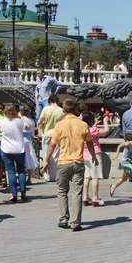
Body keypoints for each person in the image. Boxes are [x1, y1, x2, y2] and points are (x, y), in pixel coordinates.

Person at [42, 99, 98, 232]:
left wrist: (47, 160)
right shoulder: (83, 124)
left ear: (63, 110)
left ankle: (63, 218)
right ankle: (75, 223)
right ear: (75, 109)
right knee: (77, 192)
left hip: (63, 162)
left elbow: (52, 144)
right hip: (78, 162)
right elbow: (89, 143)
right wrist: (94, 156)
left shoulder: (59, 125)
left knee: (62, 191)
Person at [0, 106, 28, 202]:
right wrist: (21, 116)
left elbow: (0, 130)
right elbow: (27, 126)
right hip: (19, 149)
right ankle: (23, 193)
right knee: (21, 171)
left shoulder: (2, 121)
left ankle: (14, 194)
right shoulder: (19, 121)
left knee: (11, 171)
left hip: (6, 149)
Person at [82, 112, 110, 207]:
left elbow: (90, 129)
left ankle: (85, 197)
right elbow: (106, 131)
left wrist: (95, 123)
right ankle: (95, 198)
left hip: (84, 155)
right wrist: (106, 121)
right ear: (91, 120)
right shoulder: (94, 130)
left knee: (87, 176)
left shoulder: (83, 129)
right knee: (95, 176)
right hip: (95, 154)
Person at [37, 94, 65, 182]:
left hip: (46, 134)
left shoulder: (45, 109)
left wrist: (40, 131)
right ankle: (53, 176)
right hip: (57, 135)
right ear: (57, 101)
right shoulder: (62, 110)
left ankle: (47, 175)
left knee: (46, 154)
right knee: (55, 155)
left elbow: (39, 122)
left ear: (49, 101)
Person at [20, 105, 37, 185]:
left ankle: (21, 178)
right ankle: (29, 178)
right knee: (30, 158)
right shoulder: (32, 121)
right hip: (29, 140)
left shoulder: (20, 120)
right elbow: (32, 133)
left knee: (22, 159)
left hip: (21, 140)